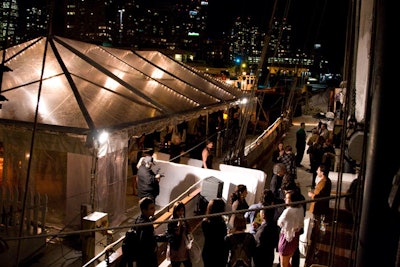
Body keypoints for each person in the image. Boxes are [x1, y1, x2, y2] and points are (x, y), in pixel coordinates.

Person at [135, 197, 167, 267]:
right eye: (151, 208)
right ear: (144, 210)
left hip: (141, 256)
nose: (154, 210)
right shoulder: (146, 224)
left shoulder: (138, 219)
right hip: (147, 258)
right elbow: (148, 240)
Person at [277, 191, 304, 267]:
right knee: (287, 262)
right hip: (294, 239)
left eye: (287, 198)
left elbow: (279, 222)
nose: (285, 199)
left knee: (284, 264)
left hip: (286, 240)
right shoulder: (300, 208)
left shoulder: (288, 211)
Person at [201, 198, 227, 267]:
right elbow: (224, 234)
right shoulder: (222, 223)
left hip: (208, 250)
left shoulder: (205, 222)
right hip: (220, 251)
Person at [166, 201, 192, 267]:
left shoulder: (183, 219)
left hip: (184, 247)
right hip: (176, 248)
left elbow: (188, 231)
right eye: (178, 211)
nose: (180, 213)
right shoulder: (172, 221)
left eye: (182, 210)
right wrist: (179, 225)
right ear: (175, 211)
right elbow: (175, 235)